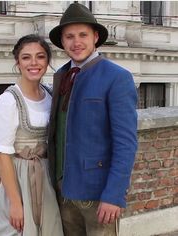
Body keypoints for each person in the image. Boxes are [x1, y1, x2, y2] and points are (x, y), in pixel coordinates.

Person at [48, 3, 138, 236]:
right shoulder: (61, 76)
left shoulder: (117, 77)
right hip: (64, 191)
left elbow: (126, 143)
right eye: (69, 36)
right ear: (63, 42)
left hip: (99, 197)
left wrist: (114, 195)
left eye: (82, 35)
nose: (76, 42)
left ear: (95, 37)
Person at [0, 34, 64, 236]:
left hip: (46, 179)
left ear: (47, 62)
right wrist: (15, 203)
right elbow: (2, 155)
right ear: (18, 62)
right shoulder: (9, 101)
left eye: (40, 57)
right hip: (20, 181)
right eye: (26, 57)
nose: (33, 63)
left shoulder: (49, 95)